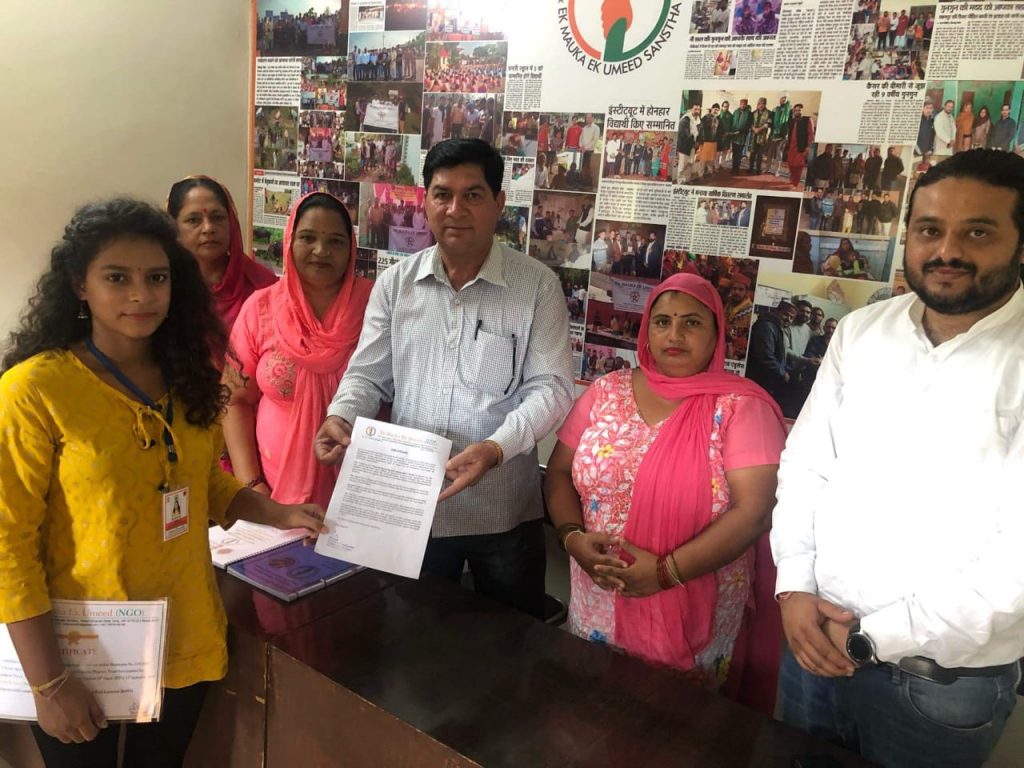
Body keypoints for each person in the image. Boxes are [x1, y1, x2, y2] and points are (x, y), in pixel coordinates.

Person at [0, 199, 324, 767]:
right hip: (81, 648)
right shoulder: (35, 390)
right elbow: (8, 545)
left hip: (181, 633)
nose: (141, 295)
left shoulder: (188, 375)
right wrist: (49, 683)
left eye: (156, 278)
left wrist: (281, 513)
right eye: (116, 278)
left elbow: (198, 483)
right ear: (79, 285)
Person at [772, 148, 1024, 767]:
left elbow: (1014, 563)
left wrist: (868, 639)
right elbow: (806, 466)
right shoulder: (862, 332)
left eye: (978, 232)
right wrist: (794, 587)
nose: (947, 251)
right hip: (812, 643)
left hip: (937, 685)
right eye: (930, 230)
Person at [314, 139, 575, 618]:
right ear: (426, 201)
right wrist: (341, 415)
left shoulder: (537, 286)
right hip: (414, 507)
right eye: (442, 194)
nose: (456, 210)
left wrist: (495, 448)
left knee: (513, 640)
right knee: (414, 635)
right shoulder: (396, 284)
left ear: (499, 202)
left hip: (502, 510)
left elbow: (552, 389)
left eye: (473, 195)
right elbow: (368, 375)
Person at [545, 273, 787, 709]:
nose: (674, 335)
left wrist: (664, 573)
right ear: (647, 330)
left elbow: (755, 511)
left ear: (716, 334)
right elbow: (558, 472)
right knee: (592, 714)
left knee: (678, 725)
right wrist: (571, 538)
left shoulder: (742, 407)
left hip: (694, 610)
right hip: (599, 599)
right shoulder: (607, 391)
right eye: (662, 322)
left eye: (691, 322)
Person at [222, 193, 372, 509]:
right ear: (290, 241)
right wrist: (251, 485)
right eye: (307, 238)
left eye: (335, 241)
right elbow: (234, 400)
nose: (321, 250)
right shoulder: (261, 308)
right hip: (275, 494)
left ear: (351, 249)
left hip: (363, 493)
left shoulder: (376, 307)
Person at [166, 176, 277, 334]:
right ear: (173, 227)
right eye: (193, 220)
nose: (208, 228)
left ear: (231, 222)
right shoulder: (163, 286)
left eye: (217, 217)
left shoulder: (264, 287)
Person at [746, 299, 795, 404]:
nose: (788, 319)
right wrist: (782, 374)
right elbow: (765, 355)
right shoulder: (767, 326)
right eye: (786, 314)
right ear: (777, 311)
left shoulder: (777, 327)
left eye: (791, 318)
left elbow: (779, 355)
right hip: (760, 379)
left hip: (767, 379)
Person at [785, 103, 815, 187]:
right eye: (796, 110)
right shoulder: (792, 121)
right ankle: (792, 179)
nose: (797, 112)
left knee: (798, 166)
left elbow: (811, 135)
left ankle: (795, 183)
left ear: (802, 111)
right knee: (790, 164)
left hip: (801, 148)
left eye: (799, 110)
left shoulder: (808, 120)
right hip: (791, 147)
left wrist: (808, 147)